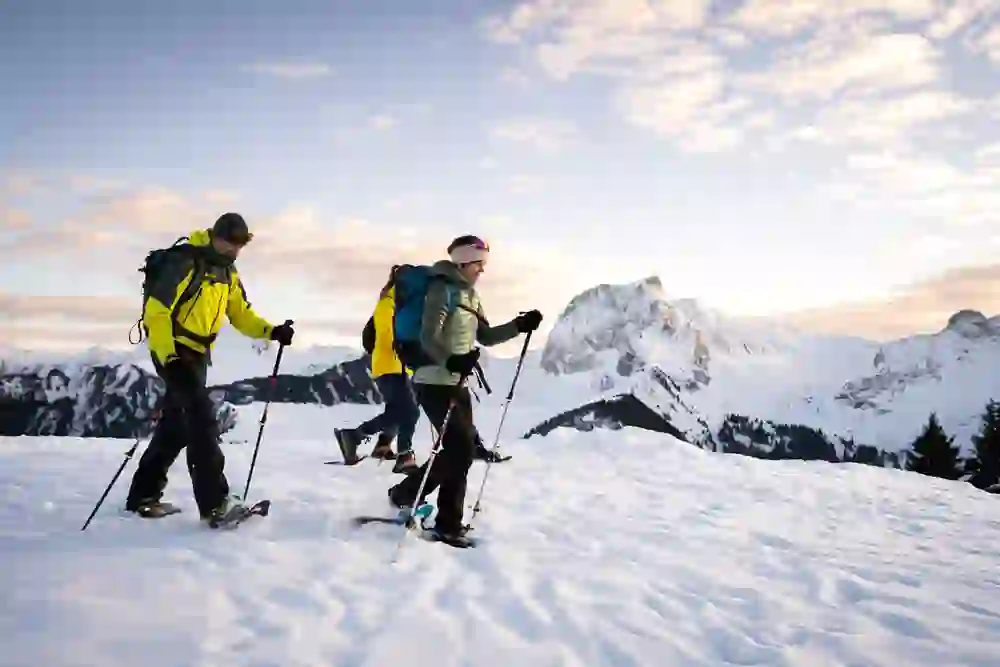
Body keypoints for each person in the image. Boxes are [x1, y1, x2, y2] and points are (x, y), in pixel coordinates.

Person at [124, 213, 295, 526]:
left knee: (175, 426)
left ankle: (142, 496)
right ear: (215, 236)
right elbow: (157, 313)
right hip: (174, 350)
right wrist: (169, 359)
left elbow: (241, 314)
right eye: (229, 242)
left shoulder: (228, 273)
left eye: (239, 245)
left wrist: (271, 331)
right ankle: (215, 504)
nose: (233, 250)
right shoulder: (185, 262)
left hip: (199, 354)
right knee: (202, 419)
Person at [386, 235, 542, 547]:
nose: (482, 270)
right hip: (433, 380)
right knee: (459, 448)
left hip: (456, 381)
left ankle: (433, 511)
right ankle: (421, 504)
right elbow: (429, 337)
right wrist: (451, 359)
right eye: (478, 264)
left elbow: (486, 336)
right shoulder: (440, 289)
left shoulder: (471, 296)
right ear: (463, 262)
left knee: (463, 450)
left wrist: (519, 325)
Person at [335, 266, 421, 474]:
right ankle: (404, 455)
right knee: (410, 411)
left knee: (397, 411)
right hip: (390, 365)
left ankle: (359, 438)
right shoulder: (388, 301)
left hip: (399, 365)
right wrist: (403, 347)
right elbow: (386, 332)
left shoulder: (403, 305)